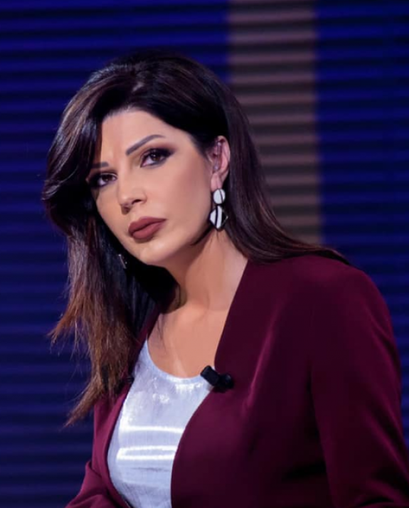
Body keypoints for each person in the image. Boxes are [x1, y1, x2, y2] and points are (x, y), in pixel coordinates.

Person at [41, 48, 409, 508]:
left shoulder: (323, 298)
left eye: (153, 156)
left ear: (216, 159)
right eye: (103, 179)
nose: (127, 195)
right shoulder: (133, 324)